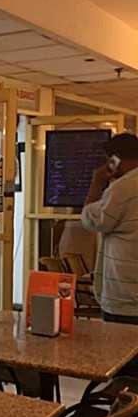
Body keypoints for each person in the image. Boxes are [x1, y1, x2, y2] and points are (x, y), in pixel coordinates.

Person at [81, 132, 138, 322]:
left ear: (116, 159)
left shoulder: (122, 188)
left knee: (120, 341)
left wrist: (97, 182)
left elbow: (92, 219)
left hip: (125, 295)